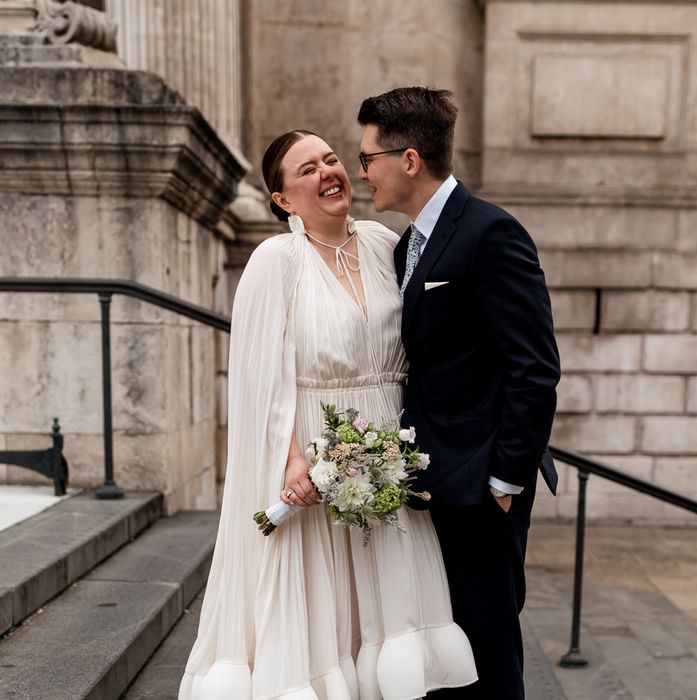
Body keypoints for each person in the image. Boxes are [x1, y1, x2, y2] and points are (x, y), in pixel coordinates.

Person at [179, 130, 477, 700]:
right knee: (322, 608)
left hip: (388, 452)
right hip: (315, 455)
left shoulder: (384, 242)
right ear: (284, 200)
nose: (328, 172)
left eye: (331, 159)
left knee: (388, 605)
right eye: (306, 170)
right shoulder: (276, 261)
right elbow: (258, 378)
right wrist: (291, 460)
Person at [357, 88, 561, 699]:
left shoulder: (491, 232)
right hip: (432, 479)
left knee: (489, 649)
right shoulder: (404, 247)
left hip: (481, 487)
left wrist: (504, 482)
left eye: (368, 157)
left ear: (409, 159)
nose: (361, 170)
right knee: (450, 654)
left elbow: (536, 368)